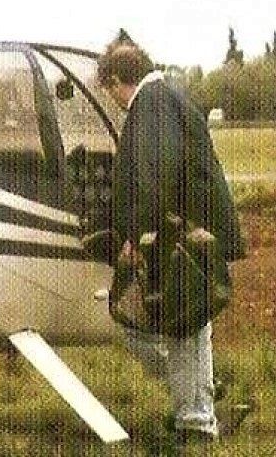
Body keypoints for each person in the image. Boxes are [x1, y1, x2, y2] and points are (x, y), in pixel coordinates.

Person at [95, 38, 245, 447]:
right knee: (184, 323)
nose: (114, 100)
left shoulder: (153, 101)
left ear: (115, 80)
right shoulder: (166, 95)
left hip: (183, 235)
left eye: (109, 90)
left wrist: (138, 236)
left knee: (185, 322)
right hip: (186, 231)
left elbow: (155, 172)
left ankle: (197, 419)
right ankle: (199, 402)